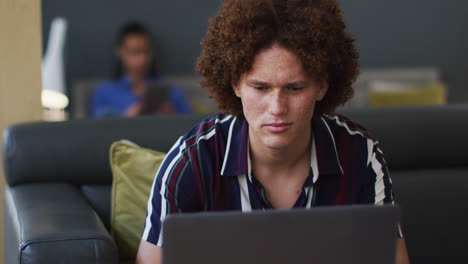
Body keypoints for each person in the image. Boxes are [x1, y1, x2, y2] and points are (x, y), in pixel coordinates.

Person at [136, 0, 410, 263]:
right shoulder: (192, 161)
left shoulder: (361, 155)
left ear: (322, 86)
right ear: (235, 84)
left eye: (294, 88)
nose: (277, 108)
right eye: (261, 88)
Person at [91, 22, 191, 117]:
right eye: (135, 52)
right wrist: (126, 120)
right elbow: (98, 130)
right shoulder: (104, 93)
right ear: (120, 52)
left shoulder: (170, 92)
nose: (142, 59)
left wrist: (170, 117)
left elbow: (190, 127)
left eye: (146, 51)